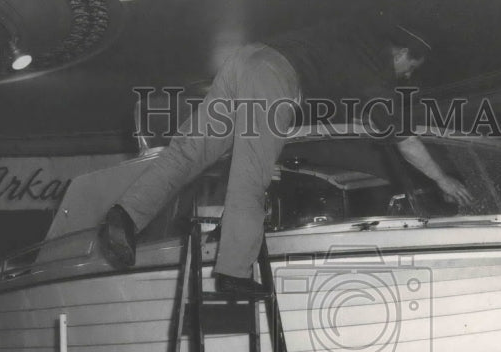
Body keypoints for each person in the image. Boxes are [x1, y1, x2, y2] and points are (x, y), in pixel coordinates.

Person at [99, 17, 473, 293]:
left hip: (242, 63)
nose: (407, 77)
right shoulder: (372, 69)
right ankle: (233, 273)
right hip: (272, 77)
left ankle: (125, 214)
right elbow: (402, 138)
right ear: (404, 53)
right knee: (253, 174)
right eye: (411, 68)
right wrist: (442, 178)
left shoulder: (351, 37)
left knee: (187, 153)